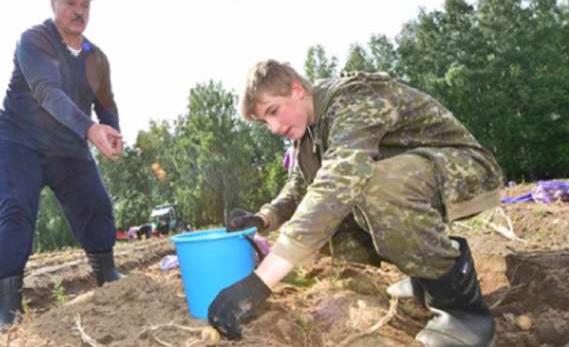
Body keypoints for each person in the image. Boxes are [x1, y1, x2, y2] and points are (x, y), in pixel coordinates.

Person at [208, 60, 503, 347]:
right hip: (416, 179)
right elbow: (299, 188)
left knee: (364, 190)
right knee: (331, 216)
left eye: (273, 111)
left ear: (296, 89)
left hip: (465, 168)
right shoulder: (308, 130)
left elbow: (337, 181)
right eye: (265, 121)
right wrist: (264, 218)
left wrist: (260, 282)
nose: (273, 127)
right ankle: (424, 279)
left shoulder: (351, 100)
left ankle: (464, 314)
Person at [0, 0, 125, 334]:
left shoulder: (97, 58)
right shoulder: (34, 40)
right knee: (13, 210)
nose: (79, 11)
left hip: (68, 146)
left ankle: (107, 273)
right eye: (70, 3)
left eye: (85, 5)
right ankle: (7, 310)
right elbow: (47, 91)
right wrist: (90, 129)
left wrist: (112, 131)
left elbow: (106, 103)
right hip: (21, 142)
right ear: (53, 5)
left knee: (96, 203)